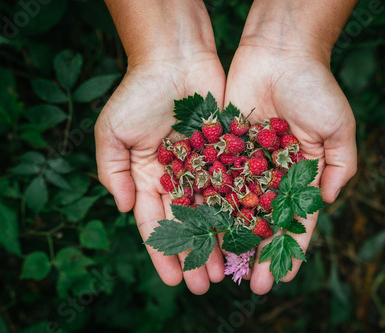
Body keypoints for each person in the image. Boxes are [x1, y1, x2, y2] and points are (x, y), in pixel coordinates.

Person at [95, 0, 358, 295]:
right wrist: (158, 55)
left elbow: (240, 165)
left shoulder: (240, 162)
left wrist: (294, 49)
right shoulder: (220, 161)